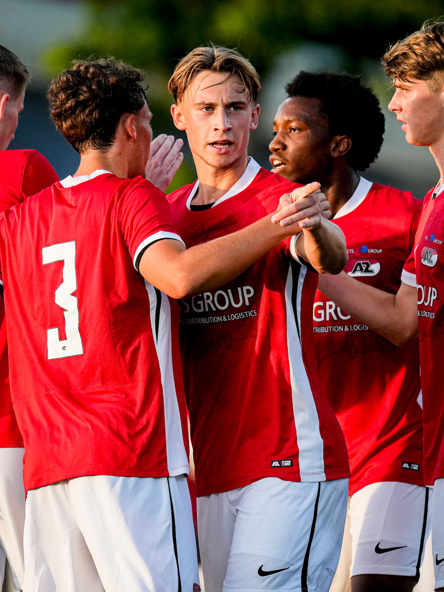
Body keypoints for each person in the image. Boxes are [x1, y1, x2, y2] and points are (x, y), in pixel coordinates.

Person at [0, 56, 328, 592]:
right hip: (130, 453)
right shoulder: (131, 199)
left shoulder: (22, 218)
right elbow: (177, 276)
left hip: (46, 466)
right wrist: (278, 223)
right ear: (133, 126)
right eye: (149, 122)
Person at [167, 45, 349, 592]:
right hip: (209, 469)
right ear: (178, 116)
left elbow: (329, 255)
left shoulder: (282, 199)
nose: (221, 123)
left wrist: (315, 225)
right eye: (206, 109)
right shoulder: (166, 217)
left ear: (254, 115)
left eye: (235, 107)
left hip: (289, 460)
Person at [269, 70, 428, 592]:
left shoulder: (406, 217)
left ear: (339, 144)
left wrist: (316, 263)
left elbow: (410, 326)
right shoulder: (263, 222)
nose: (274, 143)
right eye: (276, 129)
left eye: (294, 130)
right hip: (303, 463)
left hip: (391, 448)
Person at [316, 19, 444, 592]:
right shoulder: (433, 203)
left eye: (406, 88)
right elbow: (405, 320)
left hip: (403, 450)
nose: (393, 103)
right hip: (434, 447)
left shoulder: (410, 208)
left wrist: (311, 265)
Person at [0, 44, 59, 592]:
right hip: (14, 422)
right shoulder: (22, 169)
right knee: (37, 577)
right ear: (4, 106)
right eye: (19, 109)